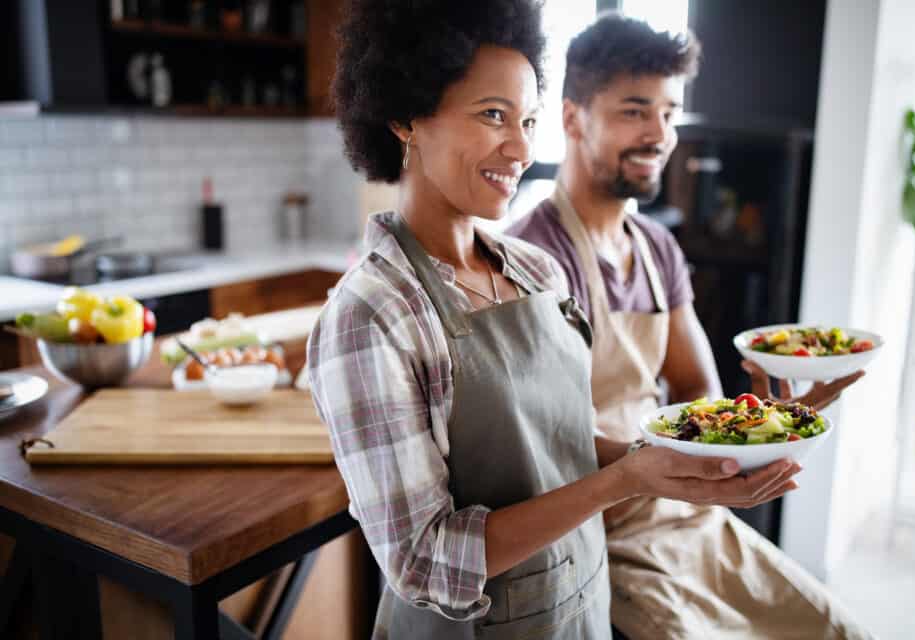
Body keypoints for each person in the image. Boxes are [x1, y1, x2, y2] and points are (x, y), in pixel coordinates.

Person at [308, 2, 802, 638]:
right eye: (493, 115)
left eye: (529, 119)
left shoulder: (536, 272)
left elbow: (560, 441)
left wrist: (672, 464)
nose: (520, 147)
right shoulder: (370, 315)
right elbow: (423, 562)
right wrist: (624, 480)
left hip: (580, 605)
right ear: (405, 117)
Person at [509, 13, 872, 640]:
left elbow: (694, 392)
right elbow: (551, 435)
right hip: (599, 530)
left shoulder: (656, 249)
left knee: (837, 629)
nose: (659, 133)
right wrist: (679, 463)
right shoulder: (533, 257)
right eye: (634, 110)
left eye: (670, 113)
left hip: (683, 513)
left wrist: (765, 423)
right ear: (572, 118)